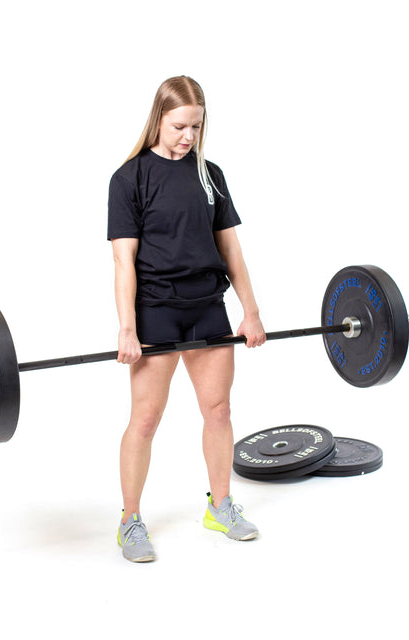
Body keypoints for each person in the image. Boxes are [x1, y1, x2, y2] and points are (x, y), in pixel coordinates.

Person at [107, 75, 266, 562]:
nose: (188, 137)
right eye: (179, 126)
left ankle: (220, 506)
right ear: (159, 118)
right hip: (156, 309)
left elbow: (230, 248)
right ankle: (130, 520)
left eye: (196, 127)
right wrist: (128, 328)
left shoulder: (209, 174)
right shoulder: (129, 178)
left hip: (206, 307)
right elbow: (122, 261)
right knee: (147, 419)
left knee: (218, 411)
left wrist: (251, 311)